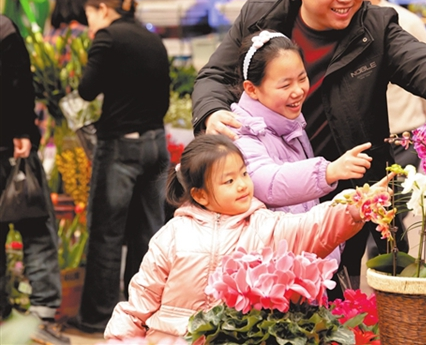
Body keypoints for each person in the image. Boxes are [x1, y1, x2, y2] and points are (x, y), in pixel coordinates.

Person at [192, 0, 426, 290]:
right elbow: (215, 75)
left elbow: (420, 61)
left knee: (339, 286)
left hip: (346, 184)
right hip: (272, 186)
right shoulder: (260, 17)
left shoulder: (374, 27)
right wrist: (211, 112)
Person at [103, 134, 383, 341]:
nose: (242, 185)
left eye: (244, 174)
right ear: (200, 195)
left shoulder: (264, 225)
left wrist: (355, 207)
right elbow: (138, 304)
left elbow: (311, 227)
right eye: (228, 181)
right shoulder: (172, 235)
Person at [69, 0, 171, 334]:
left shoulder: (108, 38)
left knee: (107, 233)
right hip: (156, 144)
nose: (90, 25)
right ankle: (139, 315)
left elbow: (86, 90)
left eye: (90, 17)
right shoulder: (151, 37)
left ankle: (97, 317)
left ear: (103, 9)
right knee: (148, 233)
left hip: (121, 146)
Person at [231, 30, 372, 216]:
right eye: (285, 85)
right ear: (251, 89)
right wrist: (328, 171)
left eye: (302, 78)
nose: (298, 91)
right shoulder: (239, 133)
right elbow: (269, 183)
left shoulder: (290, 122)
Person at [0, 15, 69, 345]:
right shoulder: (4, 30)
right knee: (36, 229)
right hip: (11, 150)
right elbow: (17, 82)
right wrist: (23, 131)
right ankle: (42, 316)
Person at [359, 0, 426, 169]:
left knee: (401, 191)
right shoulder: (345, 23)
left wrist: (419, 117)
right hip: (362, 142)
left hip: (403, 136)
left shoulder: (406, 22)